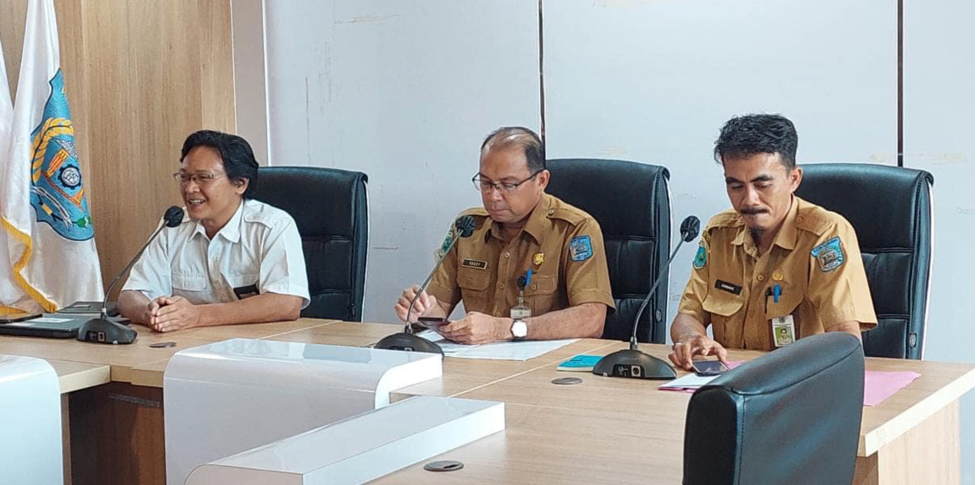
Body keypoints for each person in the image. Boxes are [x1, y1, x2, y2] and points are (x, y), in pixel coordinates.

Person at [668, 114, 877, 370]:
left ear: (794, 179)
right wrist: (691, 337)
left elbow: (845, 340)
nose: (749, 200)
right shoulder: (719, 233)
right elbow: (688, 315)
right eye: (736, 186)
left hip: (799, 381)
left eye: (762, 185)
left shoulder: (825, 235)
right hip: (731, 383)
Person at [394, 126, 615, 344]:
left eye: (508, 185)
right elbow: (439, 306)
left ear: (541, 181)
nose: (493, 196)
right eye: (486, 183)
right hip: (477, 360)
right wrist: (421, 311)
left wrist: (507, 329)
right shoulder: (468, 228)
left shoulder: (574, 229)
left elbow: (592, 319)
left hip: (548, 363)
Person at [118, 130, 310, 332]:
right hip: (190, 345)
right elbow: (130, 295)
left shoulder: (272, 226)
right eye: (184, 177)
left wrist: (198, 316)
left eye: (203, 177)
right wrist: (152, 313)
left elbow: (287, 303)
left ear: (240, 184)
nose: (190, 188)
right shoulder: (173, 225)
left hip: (260, 344)